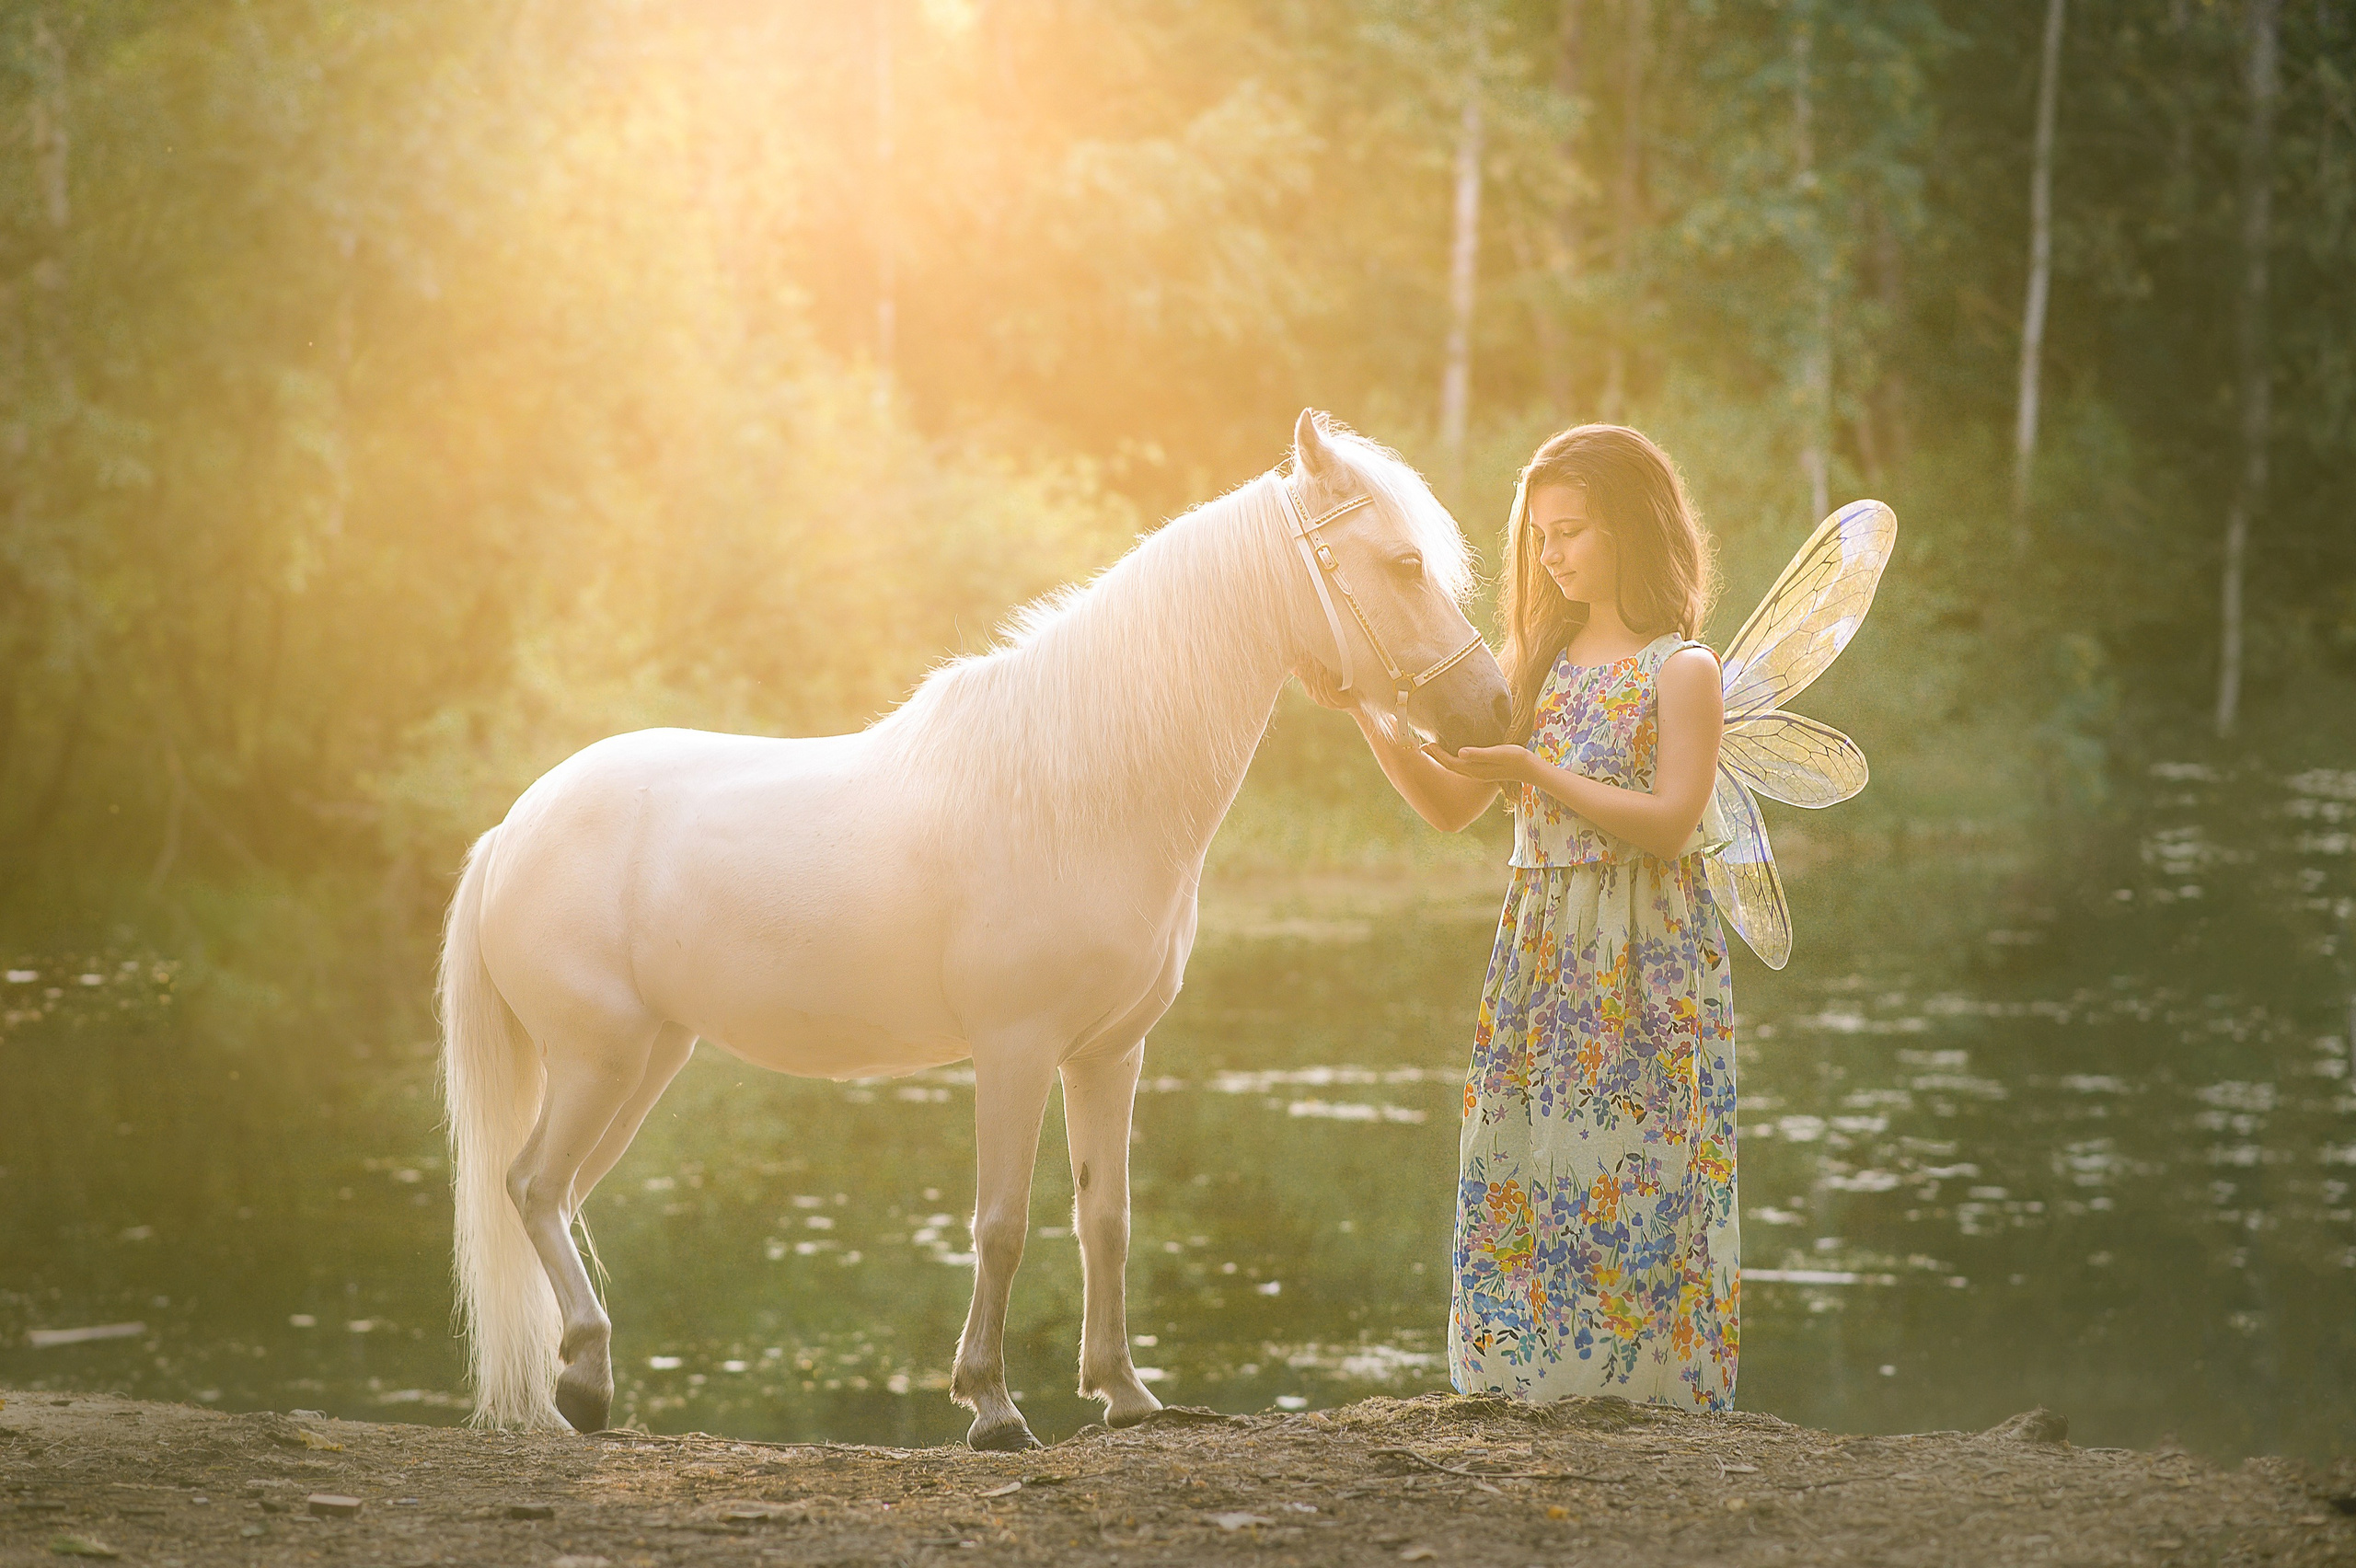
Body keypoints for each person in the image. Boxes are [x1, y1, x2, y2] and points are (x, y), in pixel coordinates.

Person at [1296, 423, 1738, 1410]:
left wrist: (1535, 770)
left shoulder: (1682, 669)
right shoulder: (1533, 664)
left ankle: (1645, 1393)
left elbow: (1671, 824)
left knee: (1632, 1166)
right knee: (1526, 1159)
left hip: (1643, 957)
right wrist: (1367, 712)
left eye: (1570, 531)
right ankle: (1529, 1383)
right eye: (1540, 537)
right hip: (1542, 947)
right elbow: (1451, 806)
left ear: (1631, 526)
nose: (1552, 555)